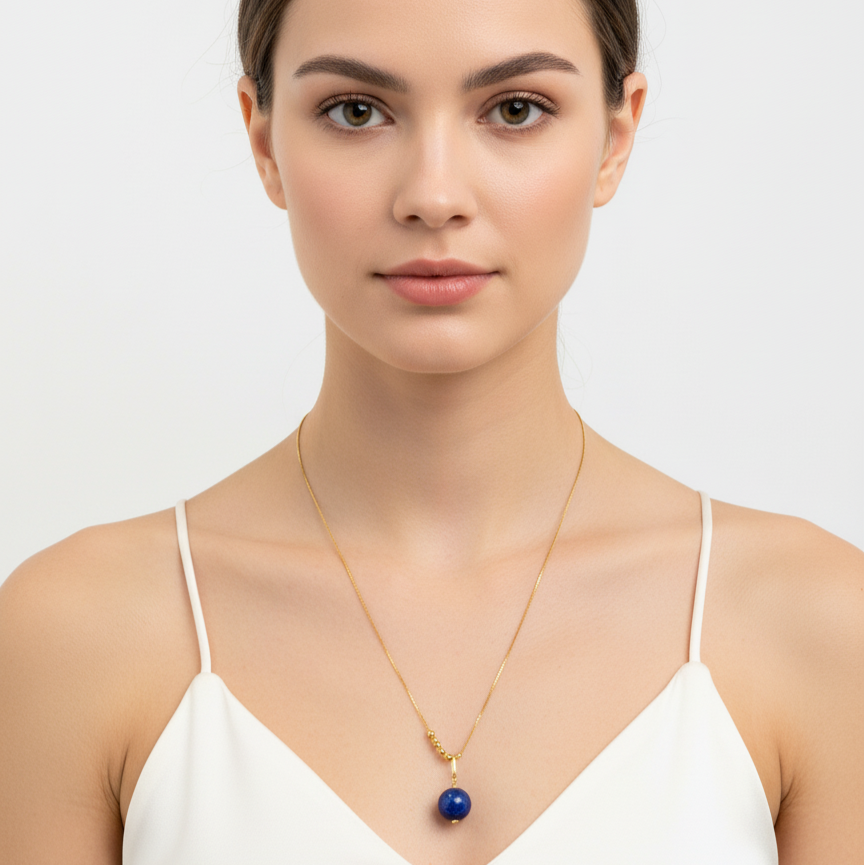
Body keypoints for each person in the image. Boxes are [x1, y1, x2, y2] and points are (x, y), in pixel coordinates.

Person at [1, 0, 861, 861]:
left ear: (615, 136)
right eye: (356, 111)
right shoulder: (75, 634)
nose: (434, 196)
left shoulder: (820, 626)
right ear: (265, 144)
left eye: (516, 109)